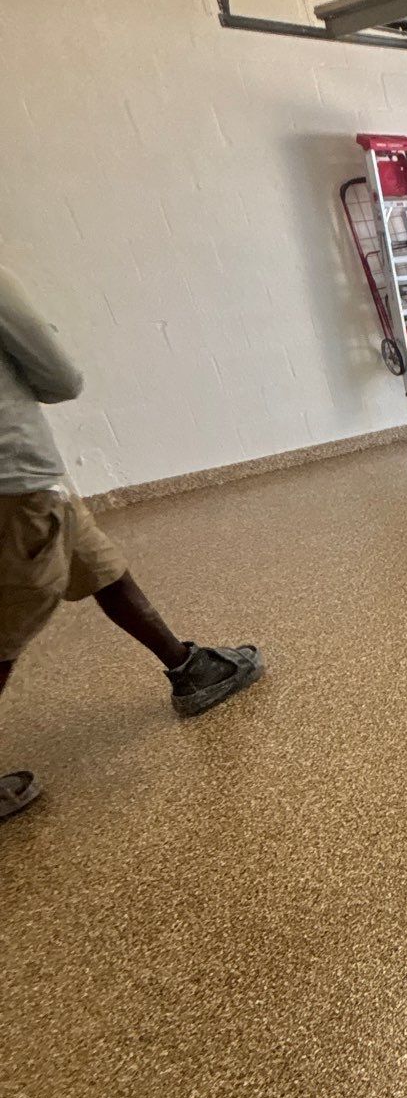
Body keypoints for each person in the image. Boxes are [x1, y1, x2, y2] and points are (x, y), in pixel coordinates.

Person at [1, 265, 263, 823]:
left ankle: (188, 667)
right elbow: (61, 378)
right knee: (7, 627)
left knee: (101, 566)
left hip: (29, 484)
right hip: (12, 479)